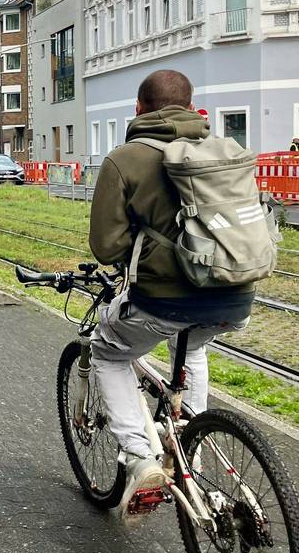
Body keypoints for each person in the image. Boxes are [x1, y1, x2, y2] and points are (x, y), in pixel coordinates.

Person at [89, 69, 253, 520]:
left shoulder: (126, 159)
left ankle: (140, 459)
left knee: (109, 354)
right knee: (193, 349)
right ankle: (191, 443)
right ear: (190, 105)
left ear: (139, 108)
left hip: (163, 299)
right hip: (234, 295)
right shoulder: (224, 152)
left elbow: (106, 245)